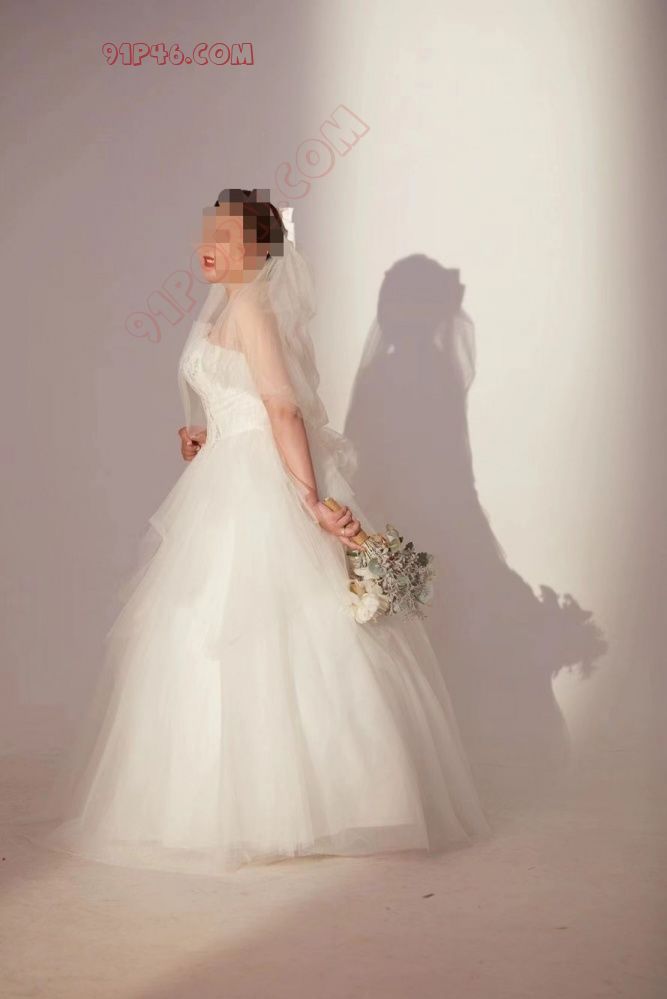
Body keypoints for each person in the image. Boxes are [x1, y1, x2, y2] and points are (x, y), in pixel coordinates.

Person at [33, 189, 492, 875]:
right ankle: (244, 806)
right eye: (207, 232)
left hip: (261, 481)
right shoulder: (225, 309)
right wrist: (204, 434)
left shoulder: (251, 308)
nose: (207, 246)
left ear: (257, 249)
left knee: (261, 630)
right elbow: (242, 401)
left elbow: (283, 410)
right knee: (224, 628)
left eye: (224, 235)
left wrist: (309, 502)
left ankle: (292, 806)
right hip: (225, 474)